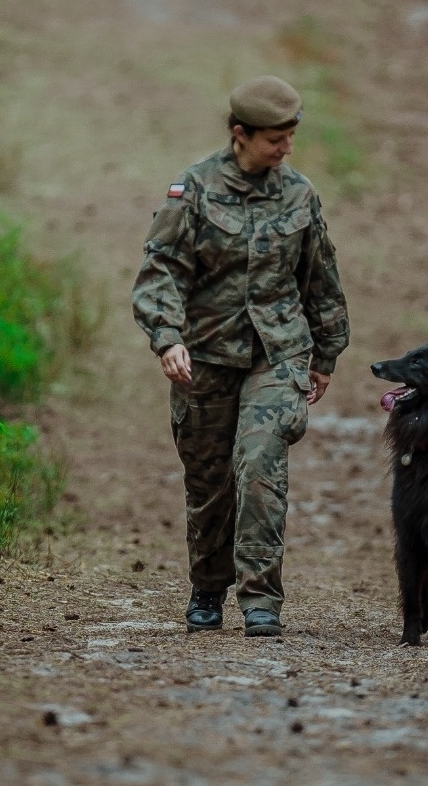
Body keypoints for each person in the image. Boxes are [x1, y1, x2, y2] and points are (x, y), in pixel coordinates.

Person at [132, 75, 350, 637]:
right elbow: (161, 272)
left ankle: (261, 601)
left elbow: (321, 278)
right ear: (240, 134)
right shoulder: (194, 190)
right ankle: (208, 589)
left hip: (277, 355)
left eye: (291, 137)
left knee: (260, 465)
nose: (286, 149)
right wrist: (167, 337)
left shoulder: (300, 194)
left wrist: (324, 353)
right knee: (209, 484)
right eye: (275, 139)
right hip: (204, 356)